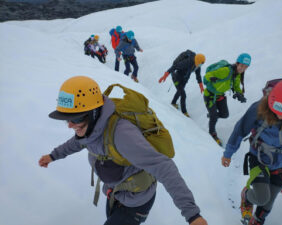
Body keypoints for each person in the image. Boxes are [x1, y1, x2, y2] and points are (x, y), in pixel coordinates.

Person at [39, 76, 208, 225]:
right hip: (115, 195)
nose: (69, 125)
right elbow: (77, 143)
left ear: (94, 112)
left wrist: (192, 215)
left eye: (75, 118)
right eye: (66, 119)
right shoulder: (88, 129)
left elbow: (163, 167)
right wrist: (53, 156)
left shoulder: (122, 134)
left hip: (136, 203)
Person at [221, 78, 282, 225]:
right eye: (275, 110)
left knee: (269, 201)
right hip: (259, 158)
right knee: (262, 197)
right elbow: (240, 130)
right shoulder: (259, 108)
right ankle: (246, 196)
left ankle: (258, 220)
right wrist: (228, 153)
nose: (278, 115)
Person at [203, 53, 251, 146]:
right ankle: (212, 133)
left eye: (245, 67)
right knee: (213, 116)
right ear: (237, 63)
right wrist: (212, 77)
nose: (243, 69)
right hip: (209, 95)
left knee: (225, 114)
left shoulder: (236, 75)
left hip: (220, 96)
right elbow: (207, 75)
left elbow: (236, 86)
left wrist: (239, 94)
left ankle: (212, 115)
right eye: (241, 66)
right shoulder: (225, 70)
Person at [158, 50, 206, 118]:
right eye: (201, 63)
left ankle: (173, 103)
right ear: (197, 60)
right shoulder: (188, 62)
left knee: (180, 91)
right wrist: (165, 75)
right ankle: (184, 112)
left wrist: (201, 86)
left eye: (202, 64)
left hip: (185, 78)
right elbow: (174, 66)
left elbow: (198, 76)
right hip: (176, 76)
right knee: (183, 95)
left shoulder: (197, 66)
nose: (201, 65)